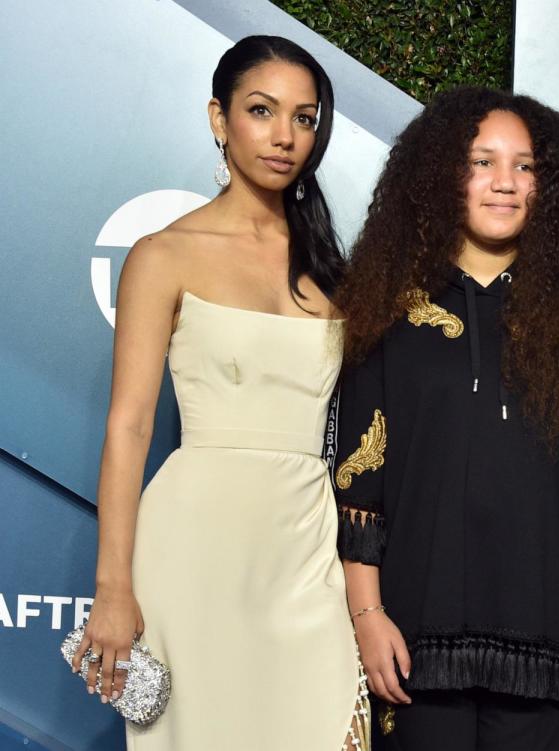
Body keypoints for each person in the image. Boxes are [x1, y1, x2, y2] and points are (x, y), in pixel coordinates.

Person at [72, 36, 369, 750]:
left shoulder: (331, 265)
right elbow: (130, 426)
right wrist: (113, 584)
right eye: (262, 111)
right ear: (219, 117)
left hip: (305, 545)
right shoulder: (162, 255)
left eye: (305, 118)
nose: (284, 135)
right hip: (194, 547)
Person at [332, 87, 559, 751]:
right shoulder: (387, 305)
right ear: (442, 173)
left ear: (548, 184)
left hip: (544, 638)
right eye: (482, 162)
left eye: (525, 166)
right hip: (413, 643)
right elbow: (359, 488)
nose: (505, 182)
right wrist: (367, 614)